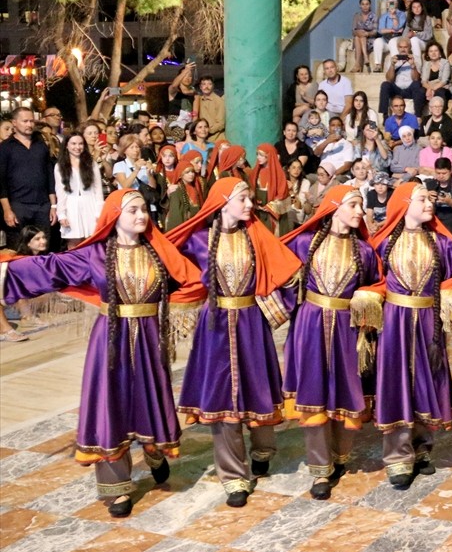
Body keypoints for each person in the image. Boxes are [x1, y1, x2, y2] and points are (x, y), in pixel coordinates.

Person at [0, 190, 201, 515]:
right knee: (111, 405)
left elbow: (192, 277)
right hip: (110, 340)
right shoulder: (94, 254)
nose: (141, 216)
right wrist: (7, 269)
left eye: (143, 210)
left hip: (149, 339)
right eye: (132, 210)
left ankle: (153, 449)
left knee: (148, 397)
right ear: (114, 216)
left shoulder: (158, 251)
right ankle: (116, 486)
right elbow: (49, 266)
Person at [167, 178, 301, 507]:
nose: (249, 205)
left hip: (251, 324)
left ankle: (263, 451)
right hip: (213, 328)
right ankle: (233, 476)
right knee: (222, 401)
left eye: (250, 199)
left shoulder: (256, 235)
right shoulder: (199, 240)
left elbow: (283, 269)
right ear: (223, 202)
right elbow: (170, 266)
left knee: (259, 389)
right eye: (243, 199)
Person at [353, 183, 452, 488]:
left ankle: (423, 447)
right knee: (396, 383)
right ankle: (397, 456)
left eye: (429, 198)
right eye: (422, 199)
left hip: (428, 320)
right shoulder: (385, 242)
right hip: (394, 321)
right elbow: (371, 276)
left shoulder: (441, 242)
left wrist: (446, 295)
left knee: (427, 379)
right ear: (404, 204)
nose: (429, 203)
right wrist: (370, 297)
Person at [280, 186, 379, 499]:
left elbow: (376, 285)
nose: (359, 212)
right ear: (335, 207)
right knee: (314, 391)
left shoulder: (364, 251)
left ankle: (340, 456)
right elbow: (278, 272)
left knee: (343, 390)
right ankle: (319, 468)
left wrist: (367, 301)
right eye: (353, 205)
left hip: (347, 328)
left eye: (361, 206)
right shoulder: (304, 243)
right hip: (310, 324)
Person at [0, 108, 56, 236]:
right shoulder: (5, 147)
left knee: (43, 248)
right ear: (14, 123)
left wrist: (53, 206)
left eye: (31, 121)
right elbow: (1, 181)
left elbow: (49, 176)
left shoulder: (41, 145)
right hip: (18, 205)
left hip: (43, 206)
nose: (29, 125)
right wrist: (7, 209)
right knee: (19, 249)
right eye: (25, 121)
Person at [54, 132, 105, 247]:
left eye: (80, 144)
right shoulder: (59, 166)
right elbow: (60, 191)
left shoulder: (91, 163)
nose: (77, 147)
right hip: (71, 206)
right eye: (73, 143)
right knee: (73, 242)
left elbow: (98, 190)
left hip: (90, 205)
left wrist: (99, 212)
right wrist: (61, 214)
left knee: (91, 241)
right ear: (66, 145)